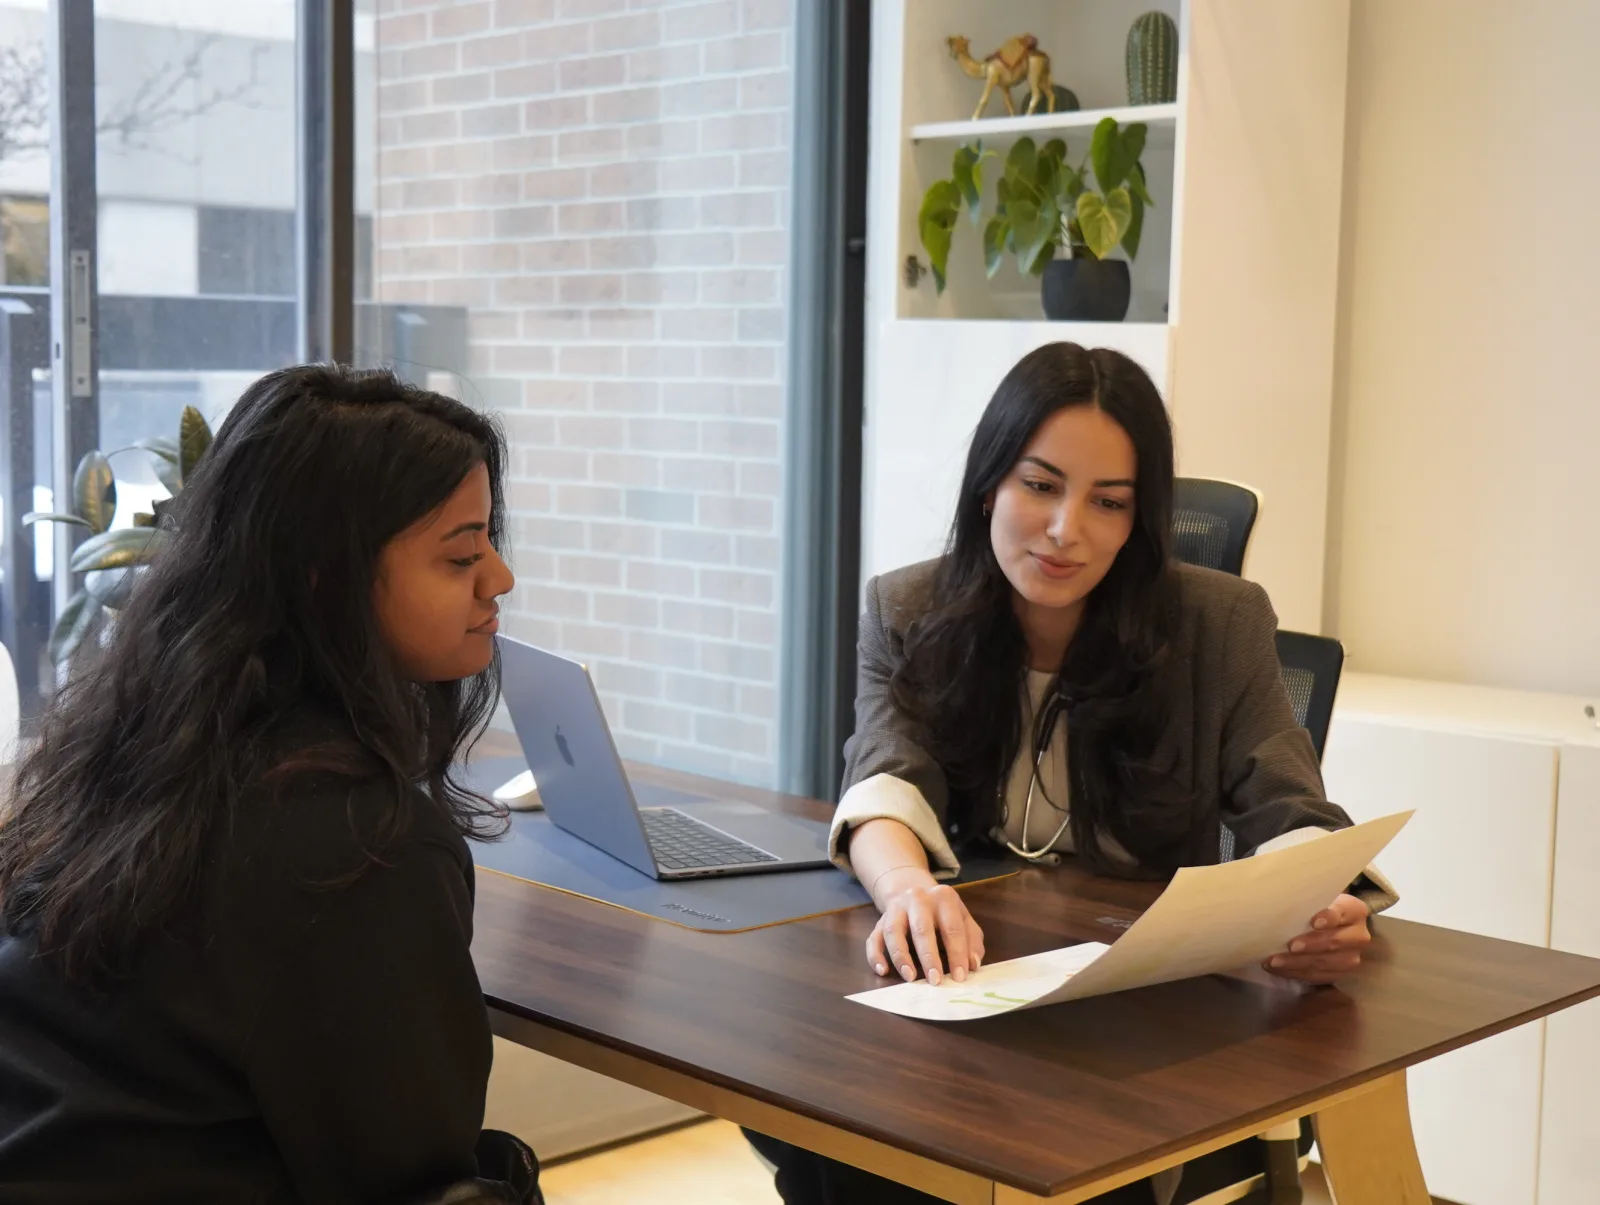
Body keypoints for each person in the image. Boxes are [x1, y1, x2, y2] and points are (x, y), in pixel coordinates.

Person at [747, 342, 1395, 1205]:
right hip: (966, 1004)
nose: (1066, 530)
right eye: (1041, 485)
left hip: (1133, 1034)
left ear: (1140, 520)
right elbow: (884, 778)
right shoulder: (905, 609)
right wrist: (906, 888)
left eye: (1109, 502)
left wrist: (1316, 906)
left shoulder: (1217, 624)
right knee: (803, 1104)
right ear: (990, 484)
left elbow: (1291, 807)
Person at [0, 365, 542, 1204]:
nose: (497, 580)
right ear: (323, 575)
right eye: (462, 554)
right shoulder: (362, 845)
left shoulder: (132, 757)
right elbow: (408, 1173)